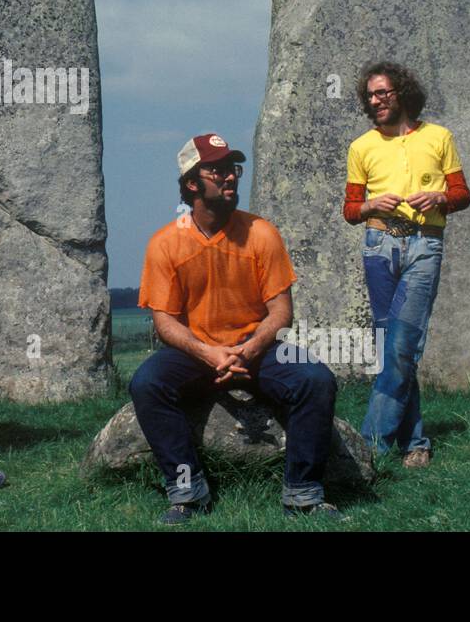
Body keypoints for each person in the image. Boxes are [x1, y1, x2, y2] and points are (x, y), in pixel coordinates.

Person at [130, 133, 342, 524]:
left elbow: (281, 313)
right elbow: (165, 322)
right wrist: (209, 353)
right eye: (218, 169)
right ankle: (188, 494)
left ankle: (304, 494)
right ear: (192, 183)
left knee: (315, 379)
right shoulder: (165, 243)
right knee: (146, 383)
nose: (230, 177)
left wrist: (249, 349)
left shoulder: (262, 233)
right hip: (195, 351)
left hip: (258, 348)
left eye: (233, 168)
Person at [342, 62, 470, 468]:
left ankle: (370, 448)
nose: (376, 100)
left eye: (383, 93)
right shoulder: (361, 146)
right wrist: (368, 206)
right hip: (379, 244)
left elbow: (463, 194)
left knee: (403, 344)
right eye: (370, 95)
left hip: (424, 245)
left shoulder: (438, 137)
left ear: (401, 92)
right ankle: (415, 443)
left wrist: (439, 200)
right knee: (391, 348)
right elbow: (349, 210)